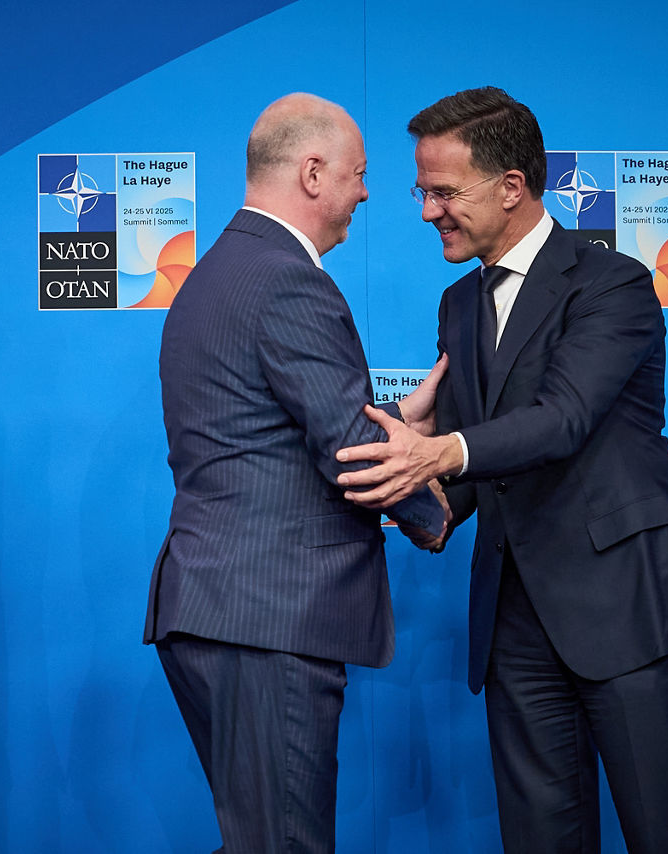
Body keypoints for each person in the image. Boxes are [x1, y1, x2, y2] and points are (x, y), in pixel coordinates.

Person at [334, 87, 668, 853]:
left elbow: (563, 418)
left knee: (665, 831)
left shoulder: (613, 284)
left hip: (624, 608)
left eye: (444, 192)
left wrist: (441, 451)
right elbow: (485, 454)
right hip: (514, 620)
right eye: (422, 191)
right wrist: (426, 496)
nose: (425, 212)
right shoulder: (458, 305)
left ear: (512, 186)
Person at [144, 93, 446, 853]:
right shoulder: (287, 278)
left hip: (225, 609)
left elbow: (280, 429)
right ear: (313, 174)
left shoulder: (221, 270)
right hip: (265, 617)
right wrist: (434, 508)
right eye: (360, 173)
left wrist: (395, 429)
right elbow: (347, 443)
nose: (369, 193)